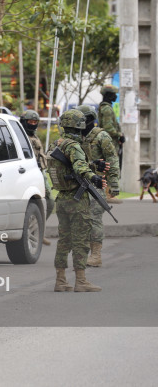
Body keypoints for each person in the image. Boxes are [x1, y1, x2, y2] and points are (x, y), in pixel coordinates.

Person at [46, 109, 106, 292]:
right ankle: (81, 281)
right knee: (81, 241)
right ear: (79, 126)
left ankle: (60, 280)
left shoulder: (56, 144)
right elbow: (79, 167)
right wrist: (94, 177)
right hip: (76, 201)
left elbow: (70, 166)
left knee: (64, 241)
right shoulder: (74, 146)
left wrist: (93, 164)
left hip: (62, 199)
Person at [77, 104, 119, 268]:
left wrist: (114, 184)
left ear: (89, 119)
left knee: (94, 218)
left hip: (96, 184)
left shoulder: (102, 136)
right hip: (78, 183)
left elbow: (112, 159)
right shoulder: (75, 137)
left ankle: (96, 255)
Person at [20, 109, 55, 245]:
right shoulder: (20, 137)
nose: (33, 124)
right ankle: (31, 232)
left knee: (49, 202)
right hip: (27, 173)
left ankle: (37, 230)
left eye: (35, 122)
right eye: (30, 121)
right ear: (24, 122)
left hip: (40, 173)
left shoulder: (33, 135)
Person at [98, 84, 124, 170]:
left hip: (110, 143)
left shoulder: (105, 107)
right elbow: (108, 128)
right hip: (110, 144)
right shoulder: (107, 109)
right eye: (114, 94)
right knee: (112, 169)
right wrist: (119, 135)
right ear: (109, 95)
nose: (116, 96)